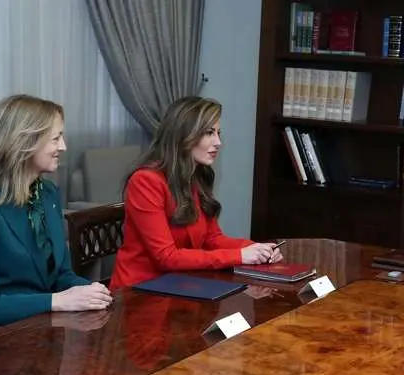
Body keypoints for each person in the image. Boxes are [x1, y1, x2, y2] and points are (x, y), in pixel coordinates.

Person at [109, 96, 283, 290]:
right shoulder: (145, 181)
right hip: (139, 292)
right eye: (209, 133)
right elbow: (166, 257)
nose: (218, 142)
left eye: (218, 133)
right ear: (183, 135)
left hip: (181, 283)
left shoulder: (198, 176)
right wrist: (240, 256)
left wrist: (256, 249)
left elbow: (212, 239)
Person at [0, 94, 112, 328]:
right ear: (24, 142)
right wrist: (56, 301)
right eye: (55, 138)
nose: (63, 147)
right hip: (2, 338)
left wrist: (92, 291)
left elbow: (60, 275)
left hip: (47, 330)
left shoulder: (47, 193)